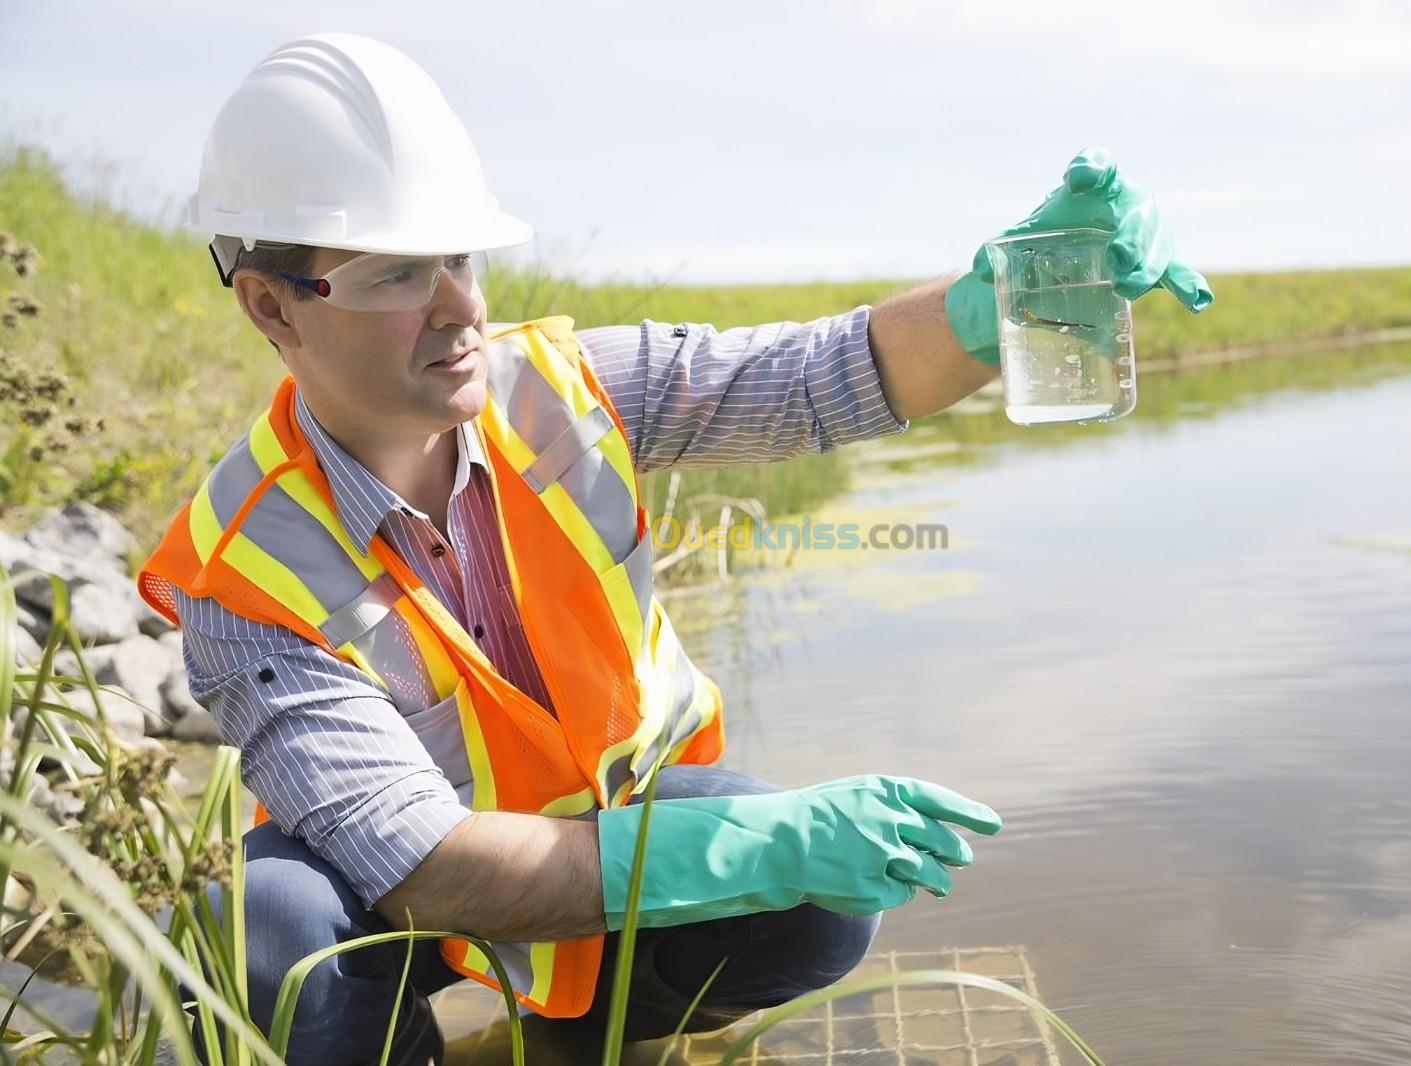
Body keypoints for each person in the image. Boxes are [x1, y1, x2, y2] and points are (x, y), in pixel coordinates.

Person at [137, 32, 1211, 1066]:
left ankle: (593, 1031)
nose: (460, 309)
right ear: (272, 305)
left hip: (607, 823)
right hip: (396, 892)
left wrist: (1002, 300)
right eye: (396, 276)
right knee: (270, 937)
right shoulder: (240, 567)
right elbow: (419, 863)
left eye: (460, 258)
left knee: (812, 911)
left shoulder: (565, 390)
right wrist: (752, 843)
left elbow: (812, 378)